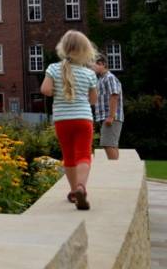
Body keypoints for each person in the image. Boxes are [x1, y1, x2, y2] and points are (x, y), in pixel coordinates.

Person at [40, 30, 98, 210]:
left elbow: (46, 90)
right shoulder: (89, 74)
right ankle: (81, 187)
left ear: (63, 48)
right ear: (85, 51)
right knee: (83, 155)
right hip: (83, 119)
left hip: (62, 120)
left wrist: (59, 89)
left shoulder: (53, 68)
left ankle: (74, 191)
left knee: (69, 156)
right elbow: (93, 100)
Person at [93, 53, 124, 160]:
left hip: (110, 117)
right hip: (105, 117)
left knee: (108, 144)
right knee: (112, 144)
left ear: (102, 64)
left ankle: (115, 171)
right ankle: (117, 171)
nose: (92, 68)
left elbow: (114, 95)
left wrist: (111, 116)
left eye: (93, 65)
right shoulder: (100, 79)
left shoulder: (109, 77)